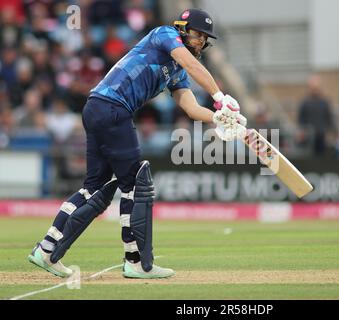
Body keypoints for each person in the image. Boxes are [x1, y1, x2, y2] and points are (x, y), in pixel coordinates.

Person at [28, 8, 247, 279]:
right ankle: (136, 261)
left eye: (205, 37)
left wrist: (221, 118)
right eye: (197, 33)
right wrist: (219, 95)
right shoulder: (165, 34)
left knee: (95, 187)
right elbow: (191, 64)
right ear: (182, 28)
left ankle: (47, 249)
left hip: (98, 108)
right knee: (136, 185)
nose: (201, 40)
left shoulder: (178, 70)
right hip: (113, 109)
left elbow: (190, 107)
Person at [297, 75, 337, 157]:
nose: (315, 90)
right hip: (309, 137)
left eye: (316, 87)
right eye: (313, 87)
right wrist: (301, 132)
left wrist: (331, 134)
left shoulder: (324, 102)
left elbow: (330, 120)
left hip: (322, 137)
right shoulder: (305, 102)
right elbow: (300, 120)